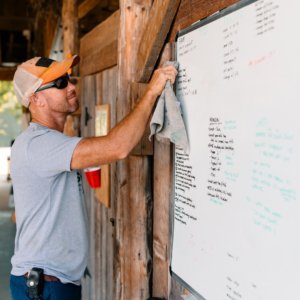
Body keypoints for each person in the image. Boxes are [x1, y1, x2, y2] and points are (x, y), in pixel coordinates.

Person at [10, 55, 177, 300]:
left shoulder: (47, 142)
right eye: (59, 84)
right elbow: (117, 147)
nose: (71, 87)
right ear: (36, 99)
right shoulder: (38, 144)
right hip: (44, 286)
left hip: (51, 282)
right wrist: (152, 91)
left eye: (68, 79)